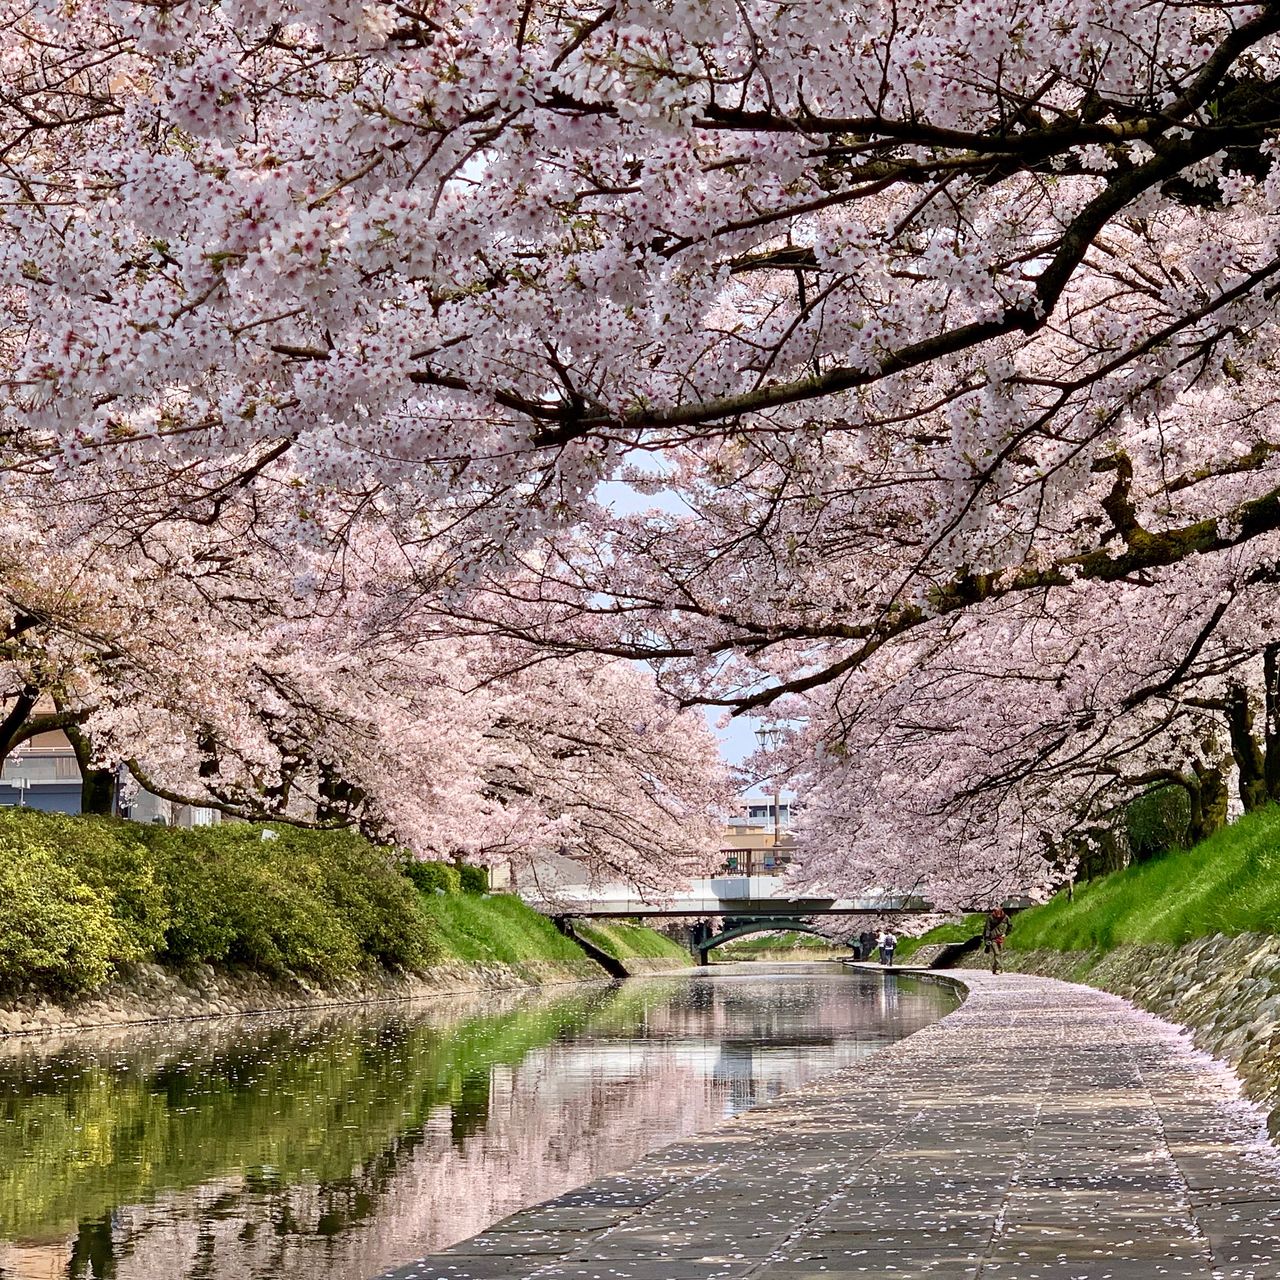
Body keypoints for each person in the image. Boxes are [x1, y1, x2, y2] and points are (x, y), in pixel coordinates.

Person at [982, 907, 1012, 973]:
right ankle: (999, 968)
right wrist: (987, 938)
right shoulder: (990, 918)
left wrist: (1006, 934)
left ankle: (994, 968)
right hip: (993, 938)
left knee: (999, 954)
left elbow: (1010, 926)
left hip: (1001, 938)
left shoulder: (1005, 917)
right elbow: (987, 928)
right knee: (997, 953)